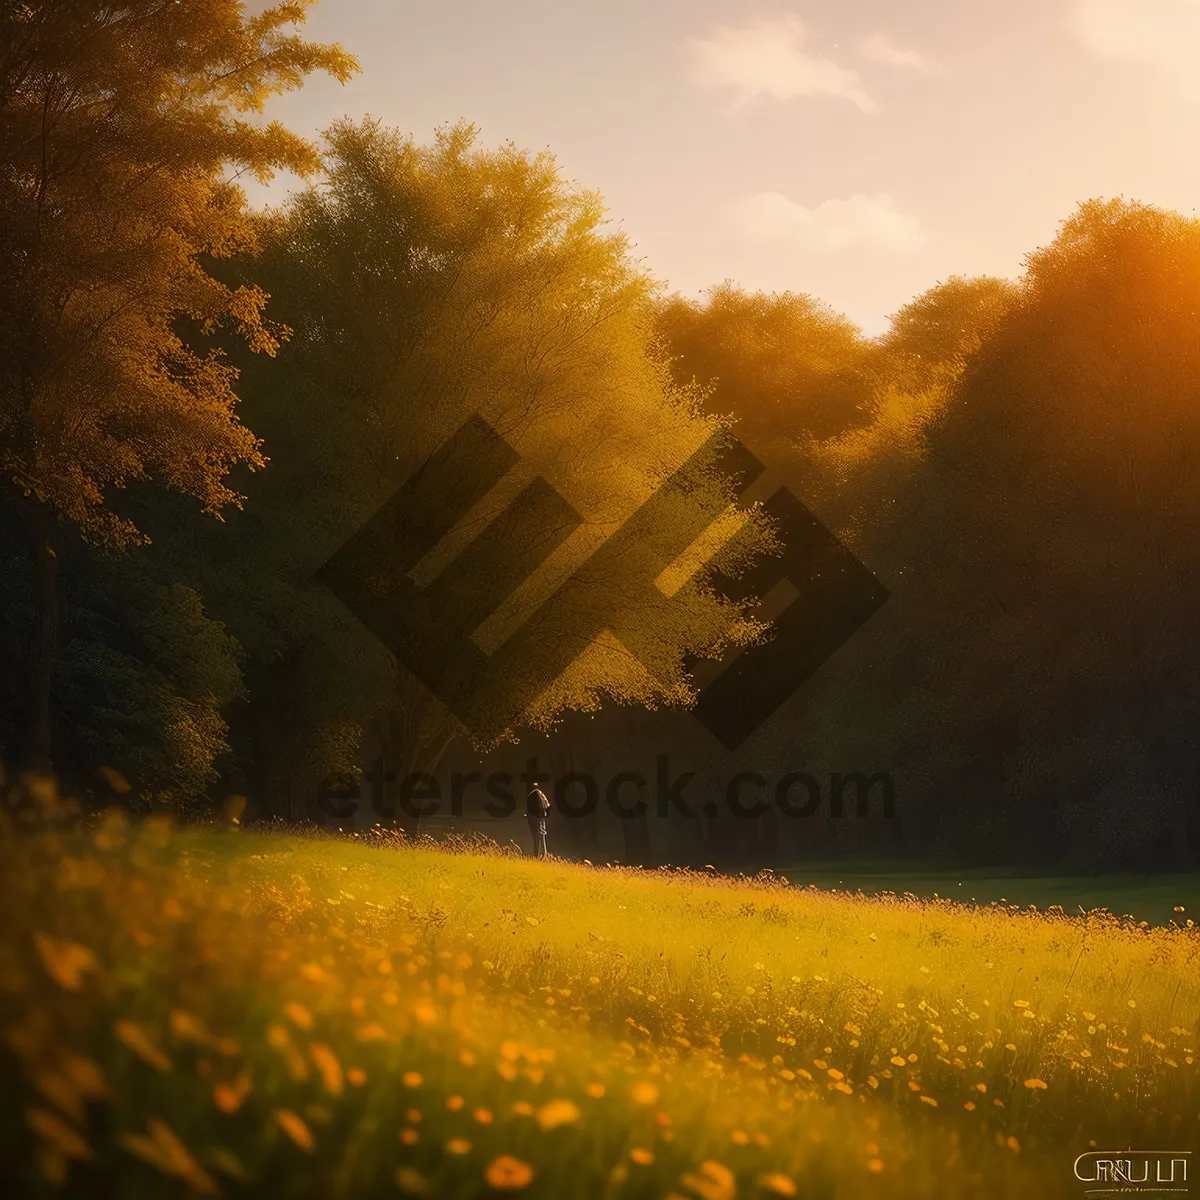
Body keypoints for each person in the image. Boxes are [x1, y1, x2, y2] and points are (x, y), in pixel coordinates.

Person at [526, 783, 550, 859]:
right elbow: (546, 806)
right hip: (539, 818)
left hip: (534, 818)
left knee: (538, 836)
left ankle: (539, 855)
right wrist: (545, 814)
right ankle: (542, 856)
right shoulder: (538, 794)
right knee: (540, 835)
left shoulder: (531, 795)